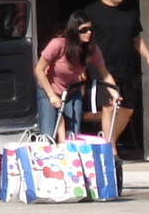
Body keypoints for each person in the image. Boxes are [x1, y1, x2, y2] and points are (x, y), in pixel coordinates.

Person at [79, 0, 149, 148]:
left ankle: (108, 142)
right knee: (109, 108)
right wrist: (81, 64)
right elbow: (82, 41)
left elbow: (136, 38)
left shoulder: (129, 12)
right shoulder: (92, 12)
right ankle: (111, 150)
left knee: (128, 109)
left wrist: (148, 56)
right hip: (102, 69)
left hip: (126, 67)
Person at [33, 11, 115, 141]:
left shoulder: (91, 49)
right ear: (74, 31)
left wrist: (114, 93)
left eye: (91, 29)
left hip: (71, 90)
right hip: (48, 90)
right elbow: (39, 70)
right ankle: (48, 156)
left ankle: (71, 157)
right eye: (84, 30)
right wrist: (51, 96)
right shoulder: (58, 44)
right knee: (48, 133)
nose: (89, 33)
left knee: (74, 132)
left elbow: (104, 74)